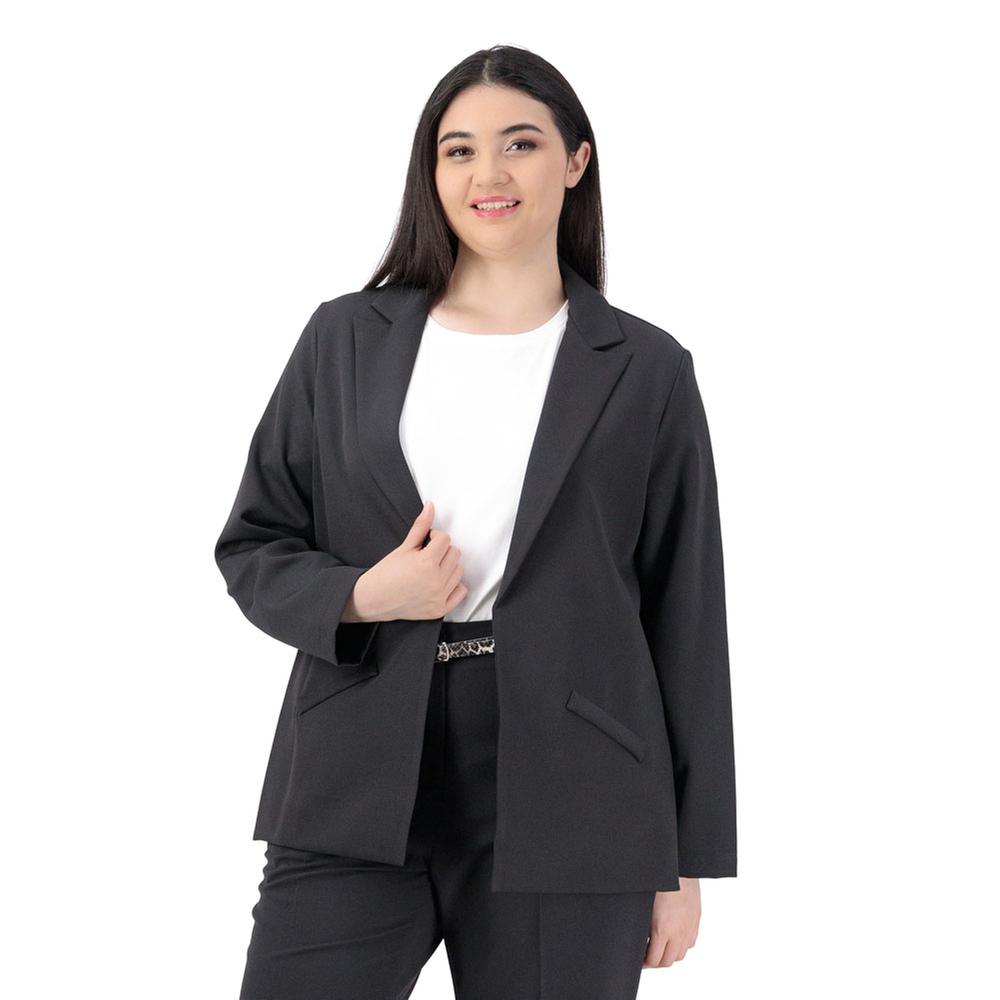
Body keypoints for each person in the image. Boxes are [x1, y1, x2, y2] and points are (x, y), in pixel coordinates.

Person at [216, 44, 737, 1000]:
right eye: (458, 150)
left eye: (520, 143)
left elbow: (686, 617)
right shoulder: (345, 339)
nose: (487, 173)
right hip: (356, 762)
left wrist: (685, 860)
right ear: (433, 171)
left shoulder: (648, 370)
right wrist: (365, 594)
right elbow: (254, 542)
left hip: (576, 788)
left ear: (575, 161)